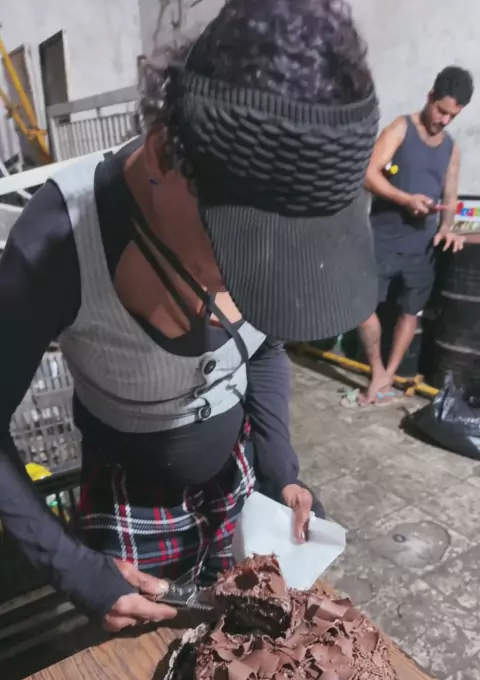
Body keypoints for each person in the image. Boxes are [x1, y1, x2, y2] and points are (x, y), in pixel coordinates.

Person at [0, 0, 379, 632]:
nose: (254, 280)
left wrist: (279, 469)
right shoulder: (60, 243)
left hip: (235, 480)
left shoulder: (272, 221)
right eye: (237, 251)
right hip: (131, 498)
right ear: (161, 155)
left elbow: (264, 347)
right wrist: (73, 567)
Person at [358, 65, 474, 405]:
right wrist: (405, 199)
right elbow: (368, 174)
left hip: (421, 247)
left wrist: (447, 228)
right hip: (383, 239)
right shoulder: (400, 128)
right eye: (441, 110)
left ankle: (388, 374)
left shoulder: (451, 148)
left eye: (453, 116)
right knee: (362, 307)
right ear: (430, 96)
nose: (444, 120)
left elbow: (450, 195)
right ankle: (377, 369)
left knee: (411, 311)